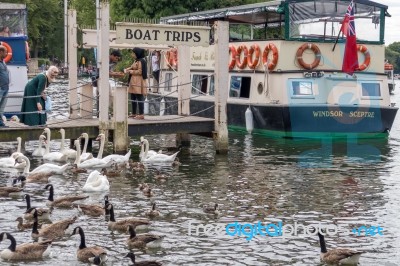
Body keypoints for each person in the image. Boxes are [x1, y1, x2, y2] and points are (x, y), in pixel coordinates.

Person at [125, 48, 148, 120]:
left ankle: (141, 114)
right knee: (133, 97)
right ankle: (134, 113)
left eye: (133, 53)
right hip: (133, 81)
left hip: (138, 81)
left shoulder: (141, 61)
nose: (132, 54)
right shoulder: (137, 60)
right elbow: (132, 67)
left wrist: (130, 71)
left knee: (139, 97)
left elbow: (140, 71)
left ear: (137, 53)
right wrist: (127, 69)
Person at [0, 45, 10, 127]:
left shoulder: (3, 62)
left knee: (2, 107)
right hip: (0, 88)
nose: (7, 54)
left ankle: (0, 122)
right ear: (1, 52)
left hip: (6, 88)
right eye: (5, 52)